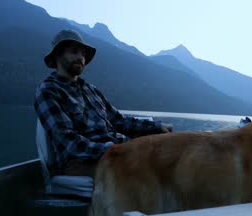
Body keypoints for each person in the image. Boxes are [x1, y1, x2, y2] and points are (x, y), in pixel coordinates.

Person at [34, 29, 171, 176]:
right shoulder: (49, 90)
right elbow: (68, 141)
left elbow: (120, 121)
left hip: (113, 152)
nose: (80, 57)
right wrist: (114, 150)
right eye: (74, 52)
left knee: (167, 151)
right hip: (78, 162)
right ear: (57, 56)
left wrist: (157, 127)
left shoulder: (91, 89)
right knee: (148, 171)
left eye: (83, 54)